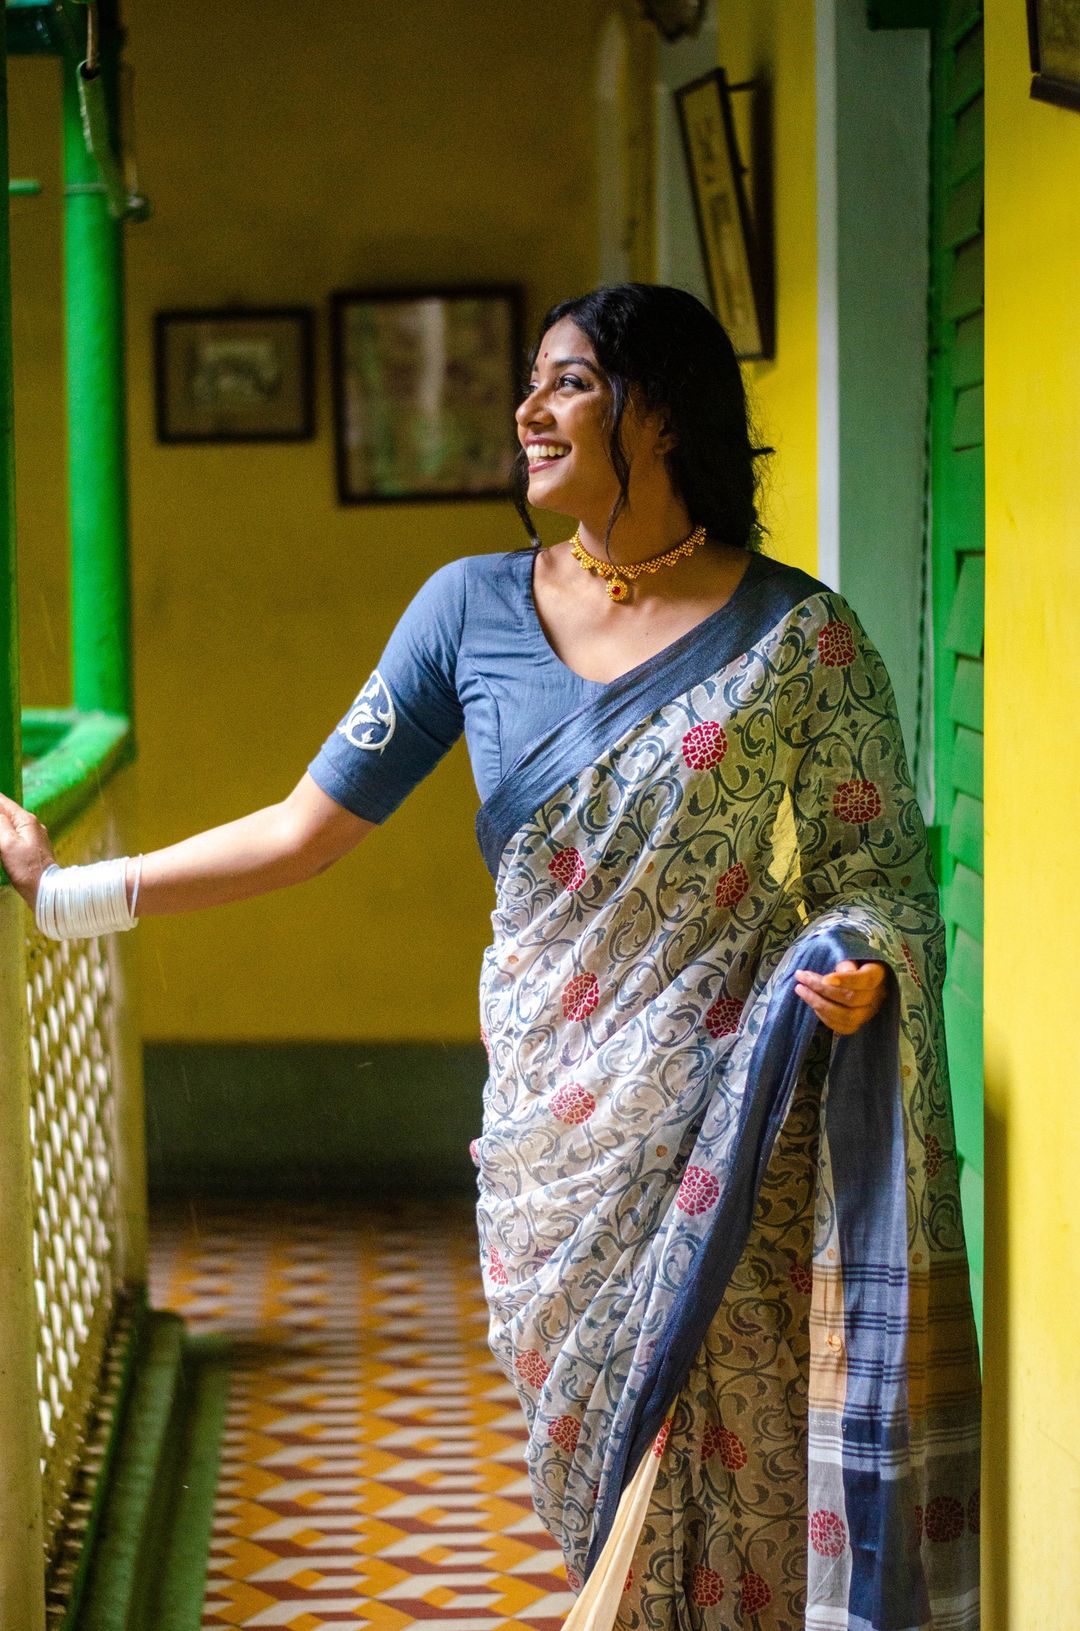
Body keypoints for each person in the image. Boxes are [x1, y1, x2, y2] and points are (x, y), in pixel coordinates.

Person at [0, 284, 979, 1631]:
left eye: (568, 383)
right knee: (590, 1464)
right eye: (532, 382)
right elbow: (302, 831)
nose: (527, 412)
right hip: (549, 1140)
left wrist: (863, 968)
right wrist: (65, 893)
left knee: (734, 1471)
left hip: (730, 1132)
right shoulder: (468, 610)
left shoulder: (800, 637)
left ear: (662, 412)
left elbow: (878, 873)